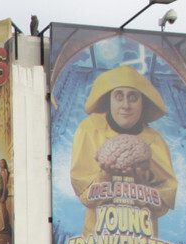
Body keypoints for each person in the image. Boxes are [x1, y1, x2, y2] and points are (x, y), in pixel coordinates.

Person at [67, 64, 178, 232]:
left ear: (143, 103)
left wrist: (142, 185)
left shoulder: (155, 141)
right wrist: (105, 176)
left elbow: (163, 206)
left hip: (142, 243)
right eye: (119, 97)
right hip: (97, 242)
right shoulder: (89, 130)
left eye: (133, 97)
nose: (126, 105)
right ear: (108, 100)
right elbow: (84, 195)